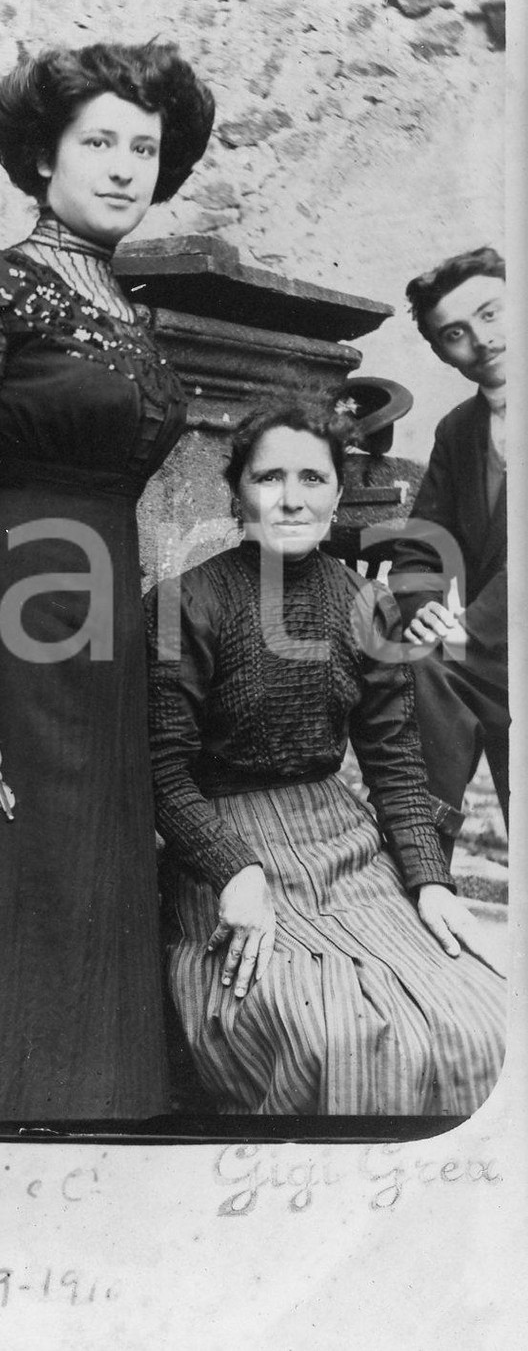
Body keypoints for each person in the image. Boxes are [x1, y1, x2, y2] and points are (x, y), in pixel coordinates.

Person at [0, 41, 215, 1121]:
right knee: (14, 868)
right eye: (100, 143)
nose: (125, 166)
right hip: (10, 606)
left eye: (145, 147)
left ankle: (104, 1119)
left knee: (97, 865)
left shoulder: (131, 316)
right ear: (43, 158)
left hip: (101, 615)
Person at [145, 395, 505, 1117]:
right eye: (269, 477)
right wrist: (231, 871)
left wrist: (431, 882)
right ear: (239, 489)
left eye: (312, 479)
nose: (290, 499)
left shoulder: (365, 605)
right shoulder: (187, 602)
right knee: (334, 1036)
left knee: (479, 1021)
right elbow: (162, 770)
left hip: (344, 846)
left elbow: (395, 763)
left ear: (338, 493)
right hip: (225, 850)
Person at [390, 247, 508, 857]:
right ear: (441, 353)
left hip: (493, 653)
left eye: (492, 314)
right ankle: (423, 861)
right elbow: (420, 548)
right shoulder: (459, 431)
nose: (481, 342)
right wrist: (424, 606)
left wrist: (466, 644)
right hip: (497, 669)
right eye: (456, 334)